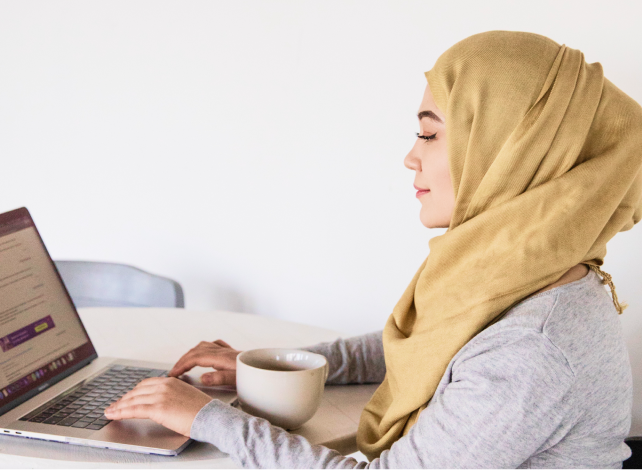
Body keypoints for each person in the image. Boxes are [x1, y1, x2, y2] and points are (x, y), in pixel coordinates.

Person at [104, 30, 642, 469]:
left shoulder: (532, 352)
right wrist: (282, 367)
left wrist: (208, 420)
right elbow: (433, 346)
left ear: (508, 154)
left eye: (429, 136)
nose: (411, 157)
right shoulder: (521, 274)